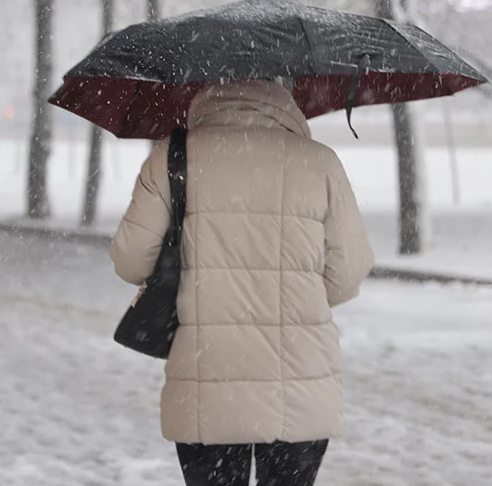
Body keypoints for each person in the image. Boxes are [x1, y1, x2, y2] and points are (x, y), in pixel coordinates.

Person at [110, 79, 375, 486]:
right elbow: (348, 272)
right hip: (302, 378)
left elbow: (131, 262)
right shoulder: (319, 162)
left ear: (207, 94)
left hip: (207, 376)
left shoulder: (173, 156)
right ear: (285, 98)